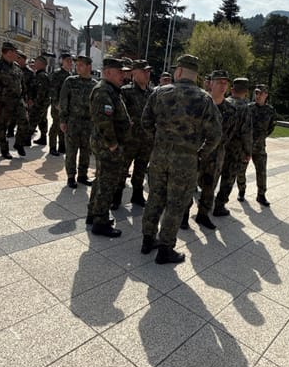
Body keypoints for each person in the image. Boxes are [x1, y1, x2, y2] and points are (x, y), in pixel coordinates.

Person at [141, 54, 222, 264]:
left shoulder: (159, 93)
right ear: (195, 75)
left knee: (155, 198)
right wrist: (199, 154)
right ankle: (165, 248)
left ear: (178, 72)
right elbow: (215, 135)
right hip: (185, 161)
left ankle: (147, 240)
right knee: (176, 204)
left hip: (159, 157)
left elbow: (145, 121)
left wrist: (158, 142)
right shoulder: (205, 99)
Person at [87, 57, 132, 237]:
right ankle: (101, 222)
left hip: (106, 145)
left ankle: (93, 213)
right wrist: (113, 145)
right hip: (107, 146)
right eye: (119, 72)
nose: (123, 75)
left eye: (124, 72)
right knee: (107, 184)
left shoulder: (112, 90)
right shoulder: (103, 91)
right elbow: (104, 122)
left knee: (101, 180)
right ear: (107, 72)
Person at [193, 70, 239, 230]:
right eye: (219, 82)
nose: (223, 85)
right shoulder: (198, 104)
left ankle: (203, 215)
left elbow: (229, 134)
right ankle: (183, 216)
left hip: (216, 155)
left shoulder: (231, 110)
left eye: (225, 83)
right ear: (210, 83)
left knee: (209, 187)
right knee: (188, 184)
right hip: (195, 152)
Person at [213, 77, 253, 217]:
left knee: (214, 174)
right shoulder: (245, 108)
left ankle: (205, 201)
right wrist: (248, 151)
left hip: (218, 146)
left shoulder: (224, 103)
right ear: (246, 92)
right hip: (235, 150)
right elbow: (246, 133)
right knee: (228, 178)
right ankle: (219, 205)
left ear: (232, 89)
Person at [119, 59, 154, 207]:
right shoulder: (126, 91)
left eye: (148, 71)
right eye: (143, 71)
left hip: (146, 140)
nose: (147, 74)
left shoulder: (153, 93)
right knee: (122, 169)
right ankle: (116, 196)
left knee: (140, 169)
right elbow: (120, 114)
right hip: (129, 140)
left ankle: (137, 195)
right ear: (134, 72)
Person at [0, 41, 30, 159]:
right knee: (2, 126)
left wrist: (25, 99)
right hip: (2, 101)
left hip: (18, 100)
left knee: (25, 122)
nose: (17, 55)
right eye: (16, 52)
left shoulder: (16, 66)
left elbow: (22, 84)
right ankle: (4, 149)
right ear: (9, 52)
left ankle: (18, 144)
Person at [59, 53, 96, 188]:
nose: (77, 67)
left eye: (81, 65)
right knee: (71, 151)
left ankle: (82, 175)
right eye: (77, 65)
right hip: (72, 122)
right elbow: (63, 101)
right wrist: (63, 120)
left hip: (88, 123)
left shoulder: (95, 84)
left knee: (86, 150)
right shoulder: (70, 81)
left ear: (89, 66)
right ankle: (70, 176)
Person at [237, 83, 276, 206]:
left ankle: (261, 195)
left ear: (266, 95)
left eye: (260, 93)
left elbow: (271, 127)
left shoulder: (270, 110)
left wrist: (261, 137)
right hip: (246, 147)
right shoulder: (248, 108)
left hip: (260, 147)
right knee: (241, 171)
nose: (257, 95)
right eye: (256, 93)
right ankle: (241, 190)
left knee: (262, 171)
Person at [49, 52, 73, 155]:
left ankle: (62, 146)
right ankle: (52, 147)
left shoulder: (70, 75)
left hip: (67, 106)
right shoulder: (57, 74)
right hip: (58, 105)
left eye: (71, 61)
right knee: (56, 125)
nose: (70, 63)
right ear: (62, 61)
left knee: (64, 126)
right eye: (67, 60)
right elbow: (53, 89)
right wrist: (56, 103)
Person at [29, 55, 51, 145]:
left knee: (33, 119)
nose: (35, 64)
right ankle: (43, 138)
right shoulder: (41, 74)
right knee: (42, 120)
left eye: (36, 62)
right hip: (43, 102)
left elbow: (41, 92)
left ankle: (26, 139)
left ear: (41, 64)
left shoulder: (41, 76)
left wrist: (34, 102)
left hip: (39, 102)